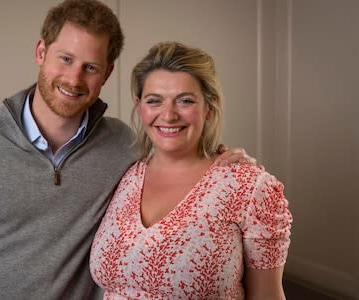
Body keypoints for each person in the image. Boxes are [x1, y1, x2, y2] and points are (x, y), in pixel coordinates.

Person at [0, 1, 255, 300]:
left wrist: (217, 161)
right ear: (41, 51)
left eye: (90, 66)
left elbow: (174, 155)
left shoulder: (122, 145)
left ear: (106, 74)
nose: (74, 79)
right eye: (65, 59)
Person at [90, 41, 293, 299]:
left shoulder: (248, 187)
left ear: (209, 106)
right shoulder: (123, 172)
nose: (169, 115)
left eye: (185, 101)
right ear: (140, 105)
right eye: (155, 101)